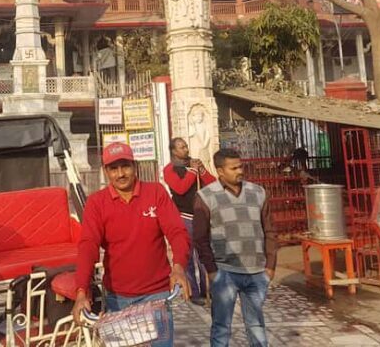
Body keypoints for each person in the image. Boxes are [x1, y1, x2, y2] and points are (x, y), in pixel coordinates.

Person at [72, 142, 191, 345]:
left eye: (125, 166)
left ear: (135, 166)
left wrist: (178, 267)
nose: (120, 174)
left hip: (157, 295)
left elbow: (177, 232)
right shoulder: (96, 202)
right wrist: (81, 291)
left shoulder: (155, 192)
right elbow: (88, 245)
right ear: (105, 171)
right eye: (113, 168)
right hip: (118, 298)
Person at [193, 149, 277, 347]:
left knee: (256, 326)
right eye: (234, 168)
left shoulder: (258, 192)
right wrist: (212, 271)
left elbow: (270, 231)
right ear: (220, 171)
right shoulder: (206, 196)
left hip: (257, 273)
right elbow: (200, 238)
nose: (240, 171)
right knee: (221, 327)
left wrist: (270, 266)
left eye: (241, 166)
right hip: (225, 272)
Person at [163, 137, 216, 304]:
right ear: (174, 151)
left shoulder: (194, 164)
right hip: (183, 216)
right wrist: (192, 172)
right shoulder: (169, 169)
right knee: (188, 256)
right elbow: (180, 188)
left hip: (200, 215)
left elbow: (213, 184)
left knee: (204, 254)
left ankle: (207, 290)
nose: (186, 149)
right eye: (181, 147)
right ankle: (193, 292)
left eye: (186, 146)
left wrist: (202, 171)